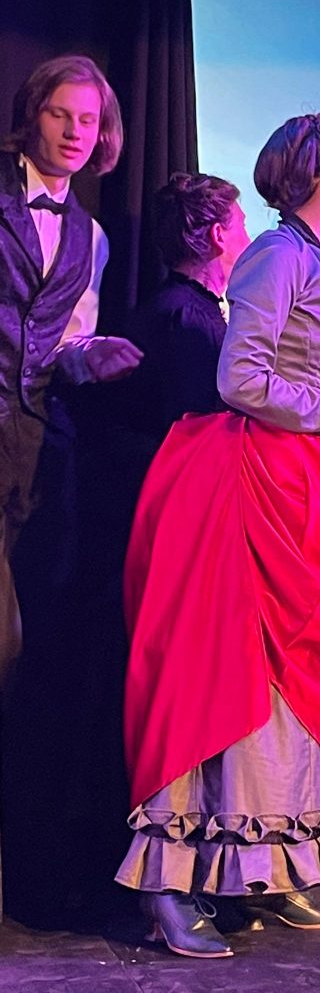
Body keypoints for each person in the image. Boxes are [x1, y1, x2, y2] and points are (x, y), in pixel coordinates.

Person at [115, 110, 320, 958]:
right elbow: (241, 378)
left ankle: (269, 869)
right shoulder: (276, 254)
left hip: (302, 479)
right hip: (249, 483)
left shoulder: (314, 260)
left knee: (293, 684)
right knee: (228, 677)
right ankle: (169, 888)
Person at [0, 55, 142, 924]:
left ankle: (30, 863)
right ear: (34, 114)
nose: (75, 132)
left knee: (37, 654)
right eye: (62, 114)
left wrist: (93, 356)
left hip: (39, 452)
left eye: (90, 121)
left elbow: (62, 344)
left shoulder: (91, 235)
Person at [125, 171, 251, 440]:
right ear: (218, 235)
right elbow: (200, 429)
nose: (249, 241)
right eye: (242, 227)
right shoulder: (188, 319)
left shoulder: (175, 307)